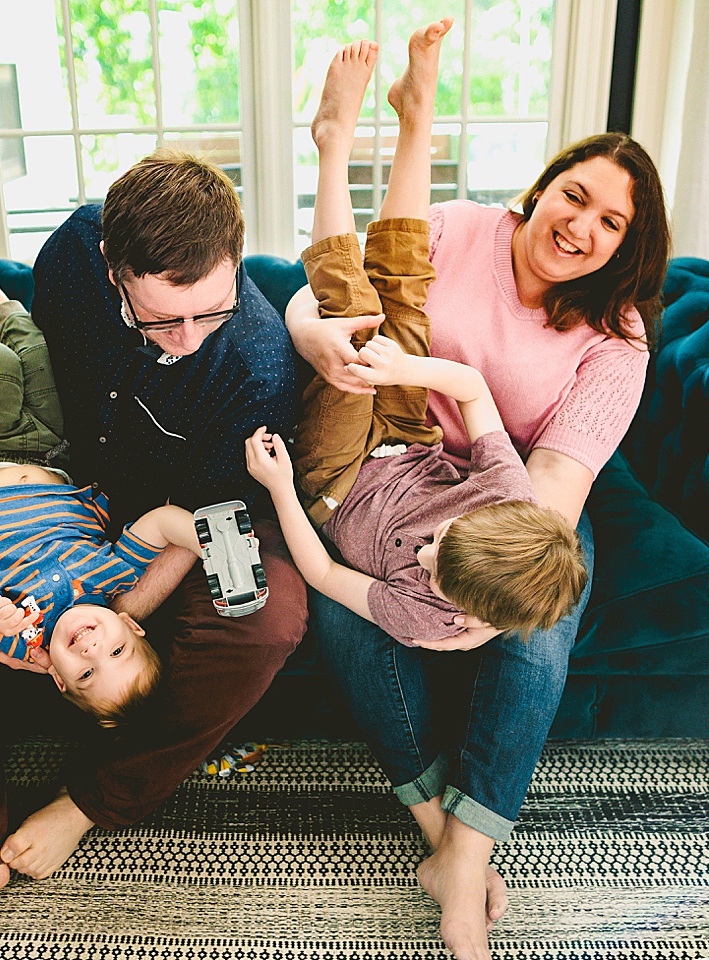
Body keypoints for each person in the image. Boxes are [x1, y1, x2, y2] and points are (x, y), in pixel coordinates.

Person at [0, 149, 307, 960]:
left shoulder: (254, 366)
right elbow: (24, 361)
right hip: (60, 482)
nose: (191, 340)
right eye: (163, 319)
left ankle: (94, 801)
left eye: (213, 309)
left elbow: (201, 520)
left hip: (185, 512)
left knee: (265, 622)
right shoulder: (71, 252)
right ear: (110, 268)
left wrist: (110, 611)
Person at [285, 20, 671, 960]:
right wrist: (317, 340)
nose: (579, 227)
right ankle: (439, 835)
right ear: (539, 191)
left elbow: (551, 491)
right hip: (379, 453)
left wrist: (482, 593)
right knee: (348, 611)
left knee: (537, 627)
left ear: (627, 245)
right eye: (572, 196)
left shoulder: (616, 343)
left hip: (506, 502)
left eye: (609, 222)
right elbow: (321, 294)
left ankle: (466, 851)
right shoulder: (463, 226)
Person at [246, 34, 585, 650]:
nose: (426, 550)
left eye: (433, 566)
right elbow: (474, 389)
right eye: (444, 539)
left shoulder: (430, 620)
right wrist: (407, 367)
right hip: (410, 439)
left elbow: (323, 572)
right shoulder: (509, 496)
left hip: (339, 480)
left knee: (351, 317)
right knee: (403, 300)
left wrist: (278, 485)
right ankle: (416, 117)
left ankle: (331, 145)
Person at [0, 273, 205, 724]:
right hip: (49, 453)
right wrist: (205, 541)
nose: (93, 650)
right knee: (34, 352)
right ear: (132, 625)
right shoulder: (111, 577)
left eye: (86, 674)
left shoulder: (19, 635)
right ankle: (1, 306)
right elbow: (158, 524)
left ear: (57, 677)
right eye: (117, 649)